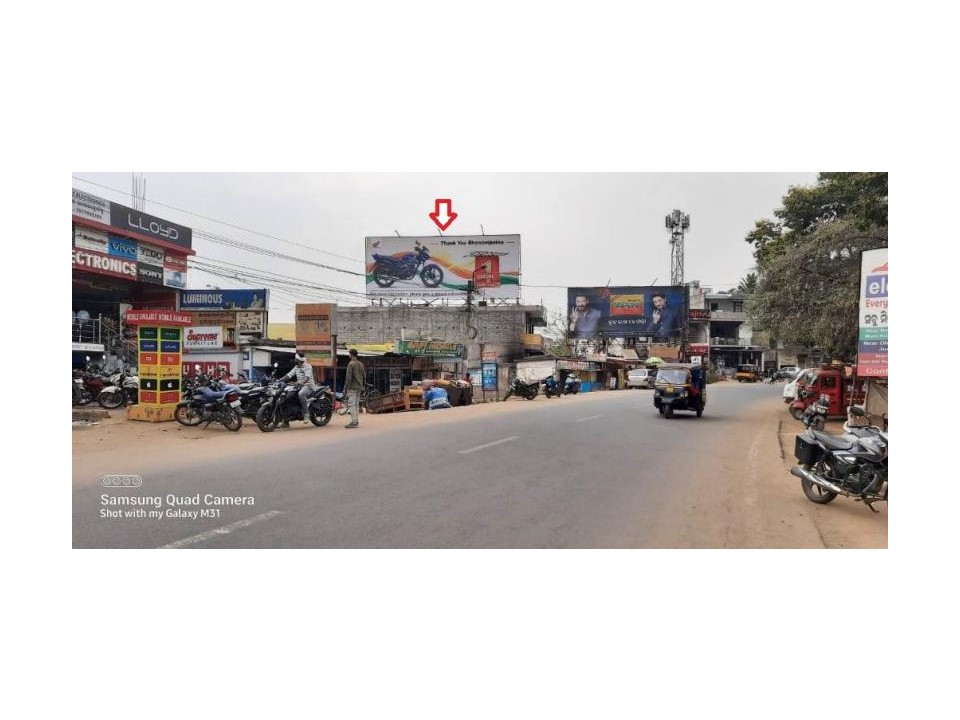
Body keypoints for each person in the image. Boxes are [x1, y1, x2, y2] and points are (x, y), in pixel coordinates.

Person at [280, 353, 317, 424]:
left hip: (308, 386)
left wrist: (301, 382)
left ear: (299, 360)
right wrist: (279, 380)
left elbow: (307, 377)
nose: (294, 359)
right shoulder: (296, 367)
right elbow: (289, 375)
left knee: (301, 394)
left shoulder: (308, 366)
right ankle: (286, 421)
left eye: (295, 358)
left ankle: (306, 414)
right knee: (285, 397)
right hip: (298, 386)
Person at [344, 348, 365, 428]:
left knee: (351, 405)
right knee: (356, 405)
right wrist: (363, 385)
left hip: (352, 387)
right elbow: (364, 376)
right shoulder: (361, 364)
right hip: (359, 387)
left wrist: (346, 388)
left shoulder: (351, 364)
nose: (348, 355)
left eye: (349, 354)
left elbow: (348, 378)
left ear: (351, 354)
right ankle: (355, 420)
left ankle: (354, 422)